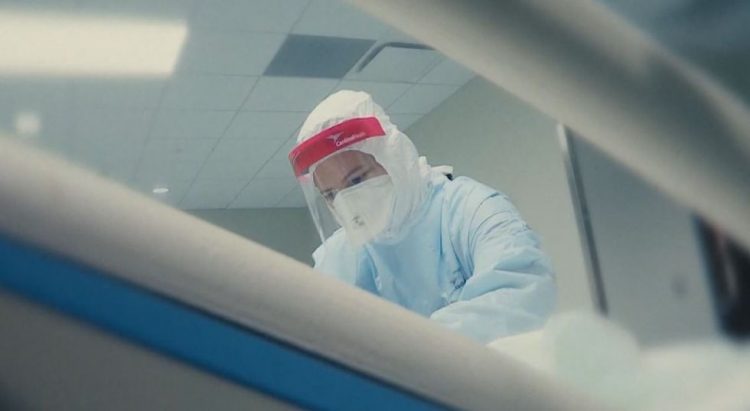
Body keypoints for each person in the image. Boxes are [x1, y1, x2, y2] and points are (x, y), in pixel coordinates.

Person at [288, 90, 556, 343]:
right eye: (331, 194)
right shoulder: (342, 254)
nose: (348, 203)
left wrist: (406, 349)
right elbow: (318, 335)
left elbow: (523, 293)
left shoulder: (471, 209)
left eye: (356, 180)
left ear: (392, 156)